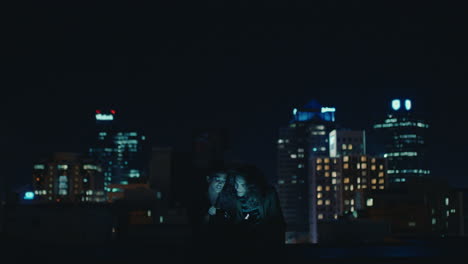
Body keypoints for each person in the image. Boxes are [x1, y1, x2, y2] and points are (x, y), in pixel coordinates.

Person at [230, 166, 286, 248]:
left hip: (267, 245)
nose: (237, 188)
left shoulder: (268, 195)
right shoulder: (235, 199)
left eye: (243, 185)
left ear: (251, 185)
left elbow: (277, 223)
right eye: (236, 183)